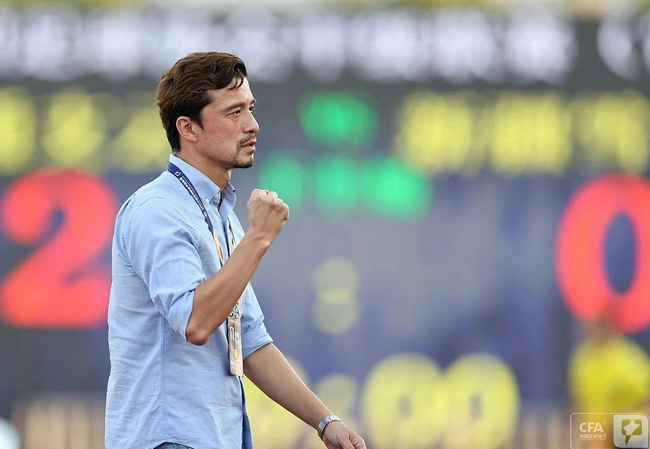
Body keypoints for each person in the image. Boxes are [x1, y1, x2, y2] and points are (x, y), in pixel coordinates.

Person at [105, 51, 366, 449]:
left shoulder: (219, 214)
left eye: (250, 109)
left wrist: (325, 422)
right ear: (188, 128)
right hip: (168, 440)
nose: (252, 125)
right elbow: (195, 321)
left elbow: (250, 340)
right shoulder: (157, 210)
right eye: (234, 112)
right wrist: (259, 238)